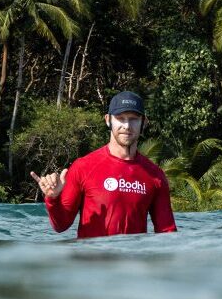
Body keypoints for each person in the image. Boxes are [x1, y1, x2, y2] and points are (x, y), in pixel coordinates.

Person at [30, 91, 177, 239]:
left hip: (134, 260)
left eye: (133, 119)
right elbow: (60, 226)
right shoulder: (83, 167)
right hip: (93, 260)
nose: (126, 126)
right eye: (120, 118)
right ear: (108, 120)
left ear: (144, 122)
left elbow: (167, 233)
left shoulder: (155, 175)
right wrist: (53, 199)